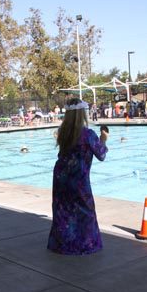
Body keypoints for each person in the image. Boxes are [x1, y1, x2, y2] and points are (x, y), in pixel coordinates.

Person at [47, 98, 108, 255]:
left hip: (61, 176)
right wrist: (103, 139)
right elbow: (101, 155)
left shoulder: (62, 132)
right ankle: (86, 245)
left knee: (63, 210)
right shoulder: (88, 134)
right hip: (78, 179)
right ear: (82, 114)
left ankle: (61, 245)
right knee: (86, 211)